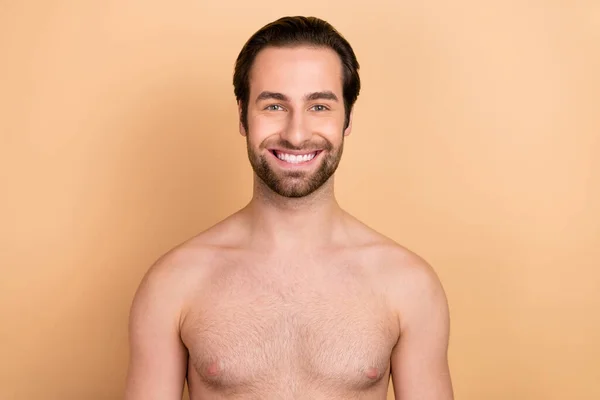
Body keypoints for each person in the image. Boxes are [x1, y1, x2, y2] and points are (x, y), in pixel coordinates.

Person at [124, 15, 454, 400]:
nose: (296, 135)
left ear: (347, 118)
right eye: (274, 106)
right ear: (243, 115)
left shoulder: (408, 284)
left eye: (319, 107)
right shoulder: (173, 283)